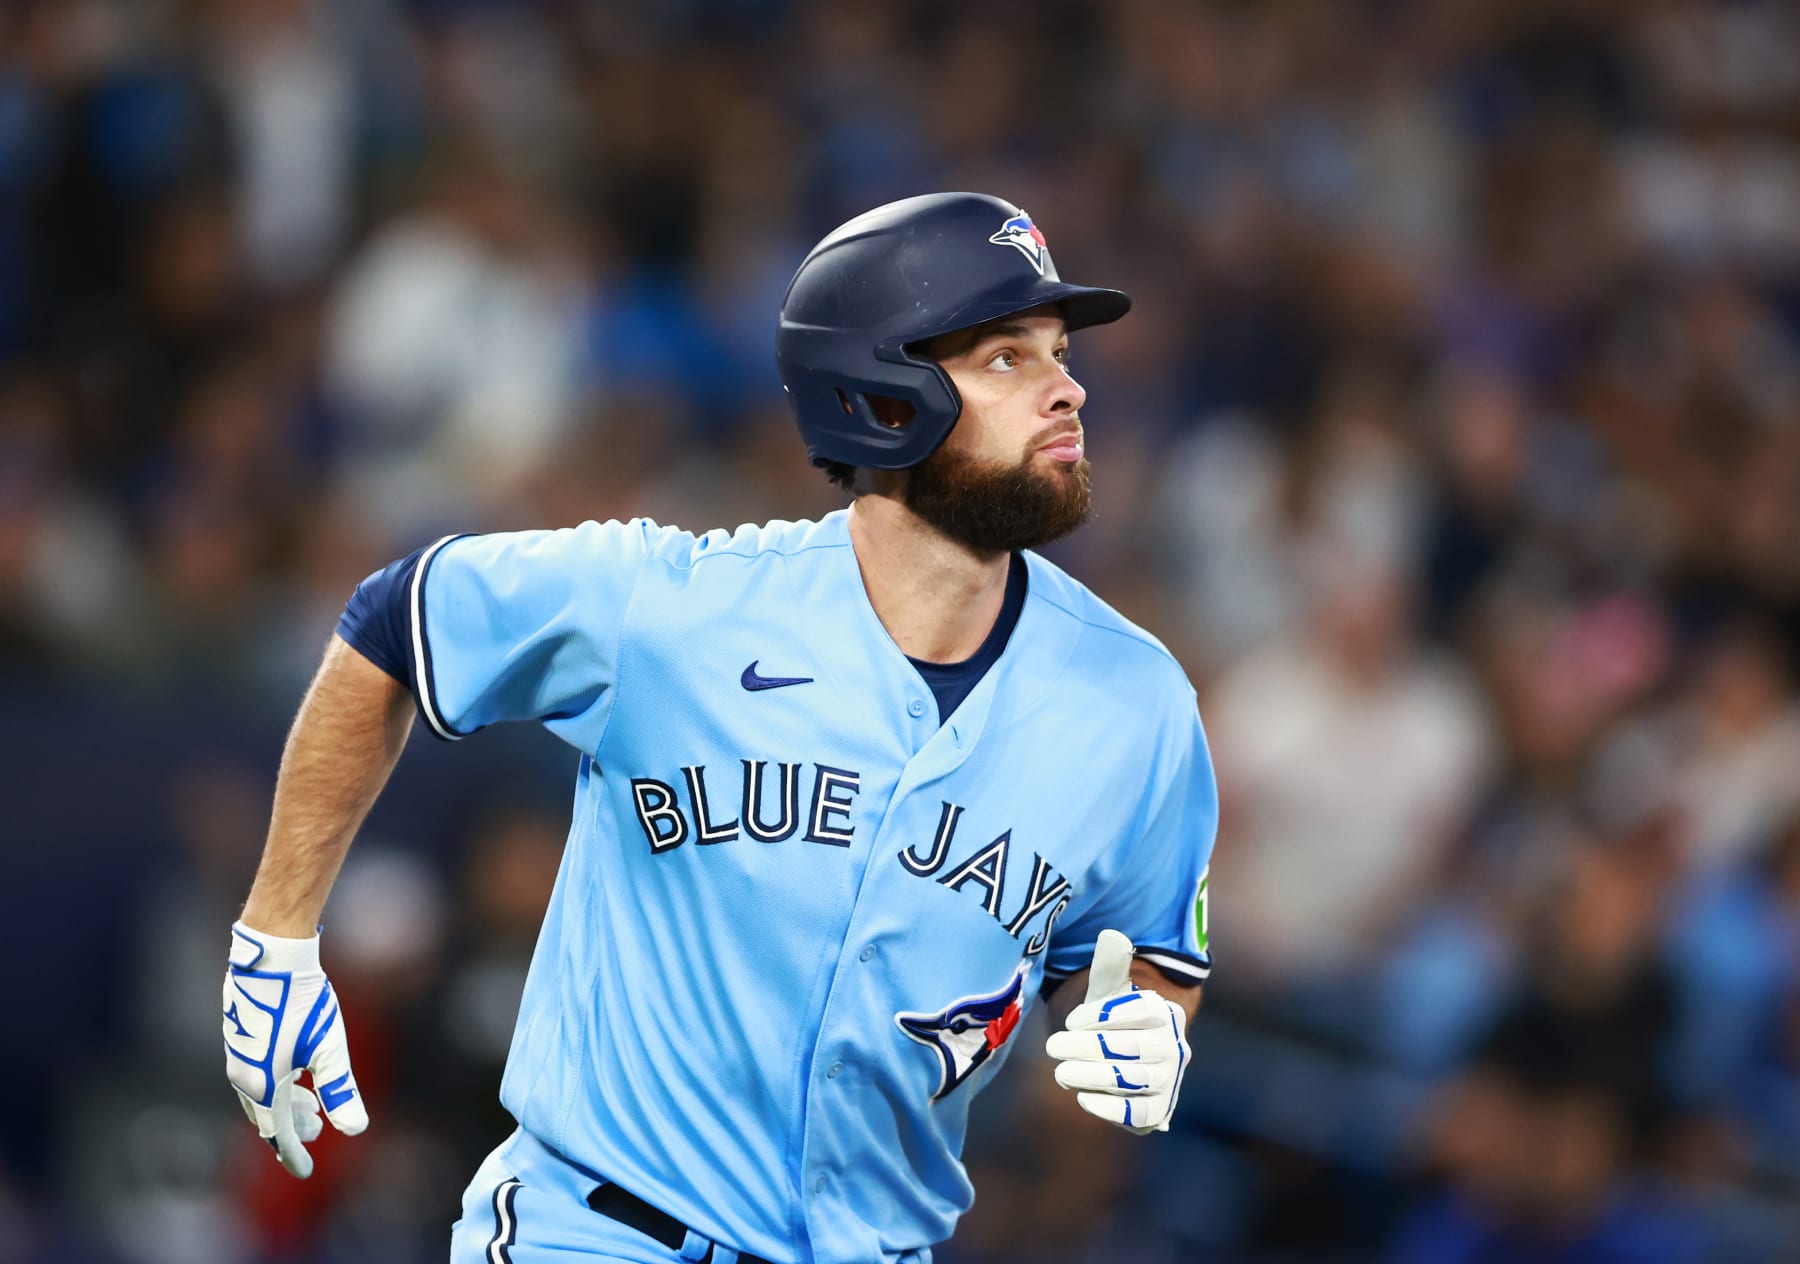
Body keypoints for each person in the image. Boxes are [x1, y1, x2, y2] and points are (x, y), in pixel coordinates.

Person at [221, 192, 1217, 1264]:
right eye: (1008, 359)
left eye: (1059, 352)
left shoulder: (1138, 702)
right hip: (599, 1235)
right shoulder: (677, 605)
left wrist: (1153, 1023)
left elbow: (1151, 945)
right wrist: (276, 933)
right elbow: (397, 621)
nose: (1068, 388)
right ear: (884, 399)